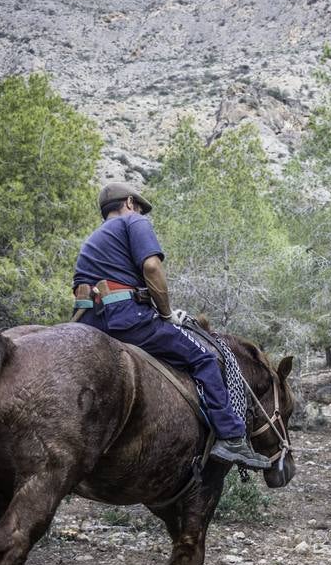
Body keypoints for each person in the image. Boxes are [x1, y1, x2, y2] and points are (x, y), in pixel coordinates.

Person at [71, 182, 268, 470]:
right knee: (204, 358)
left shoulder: (93, 239)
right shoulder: (134, 221)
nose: (139, 211)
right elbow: (152, 268)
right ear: (128, 202)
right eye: (137, 205)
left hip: (87, 323)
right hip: (126, 318)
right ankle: (231, 438)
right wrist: (165, 313)